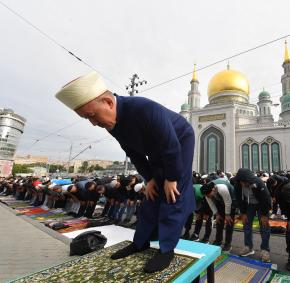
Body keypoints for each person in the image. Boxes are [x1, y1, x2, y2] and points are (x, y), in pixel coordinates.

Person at [55, 72, 195, 273]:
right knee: (151, 194)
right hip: (156, 148)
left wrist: (172, 178)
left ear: (108, 103)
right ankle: (140, 243)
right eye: (87, 119)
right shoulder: (111, 125)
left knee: (173, 194)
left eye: (92, 115)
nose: (93, 123)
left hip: (179, 141)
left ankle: (166, 249)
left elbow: (170, 145)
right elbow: (134, 154)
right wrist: (150, 180)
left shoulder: (144, 108)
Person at [234, 168, 272, 262]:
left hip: (261, 204)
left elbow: (266, 198)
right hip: (249, 204)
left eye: (245, 182)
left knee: (264, 226)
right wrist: (243, 213)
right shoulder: (238, 184)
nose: (243, 184)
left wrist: (264, 214)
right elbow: (239, 198)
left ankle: (265, 250)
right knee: (246, 224)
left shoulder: (258, 182)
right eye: (242, 182)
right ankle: (248, 247)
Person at [200, 180, 236, 252]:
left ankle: (227, 244)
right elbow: (211, 204)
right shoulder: (207, 192)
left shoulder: (222, 188)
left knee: (229, 222)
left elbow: (228, 202)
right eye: (206, 196)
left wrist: (227, 214)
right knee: (219, 221)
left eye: (209, 195)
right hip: (220, 201)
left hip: (231, 200)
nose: (208, 197)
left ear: (213, 190)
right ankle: (218, 241)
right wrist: (217, 214)